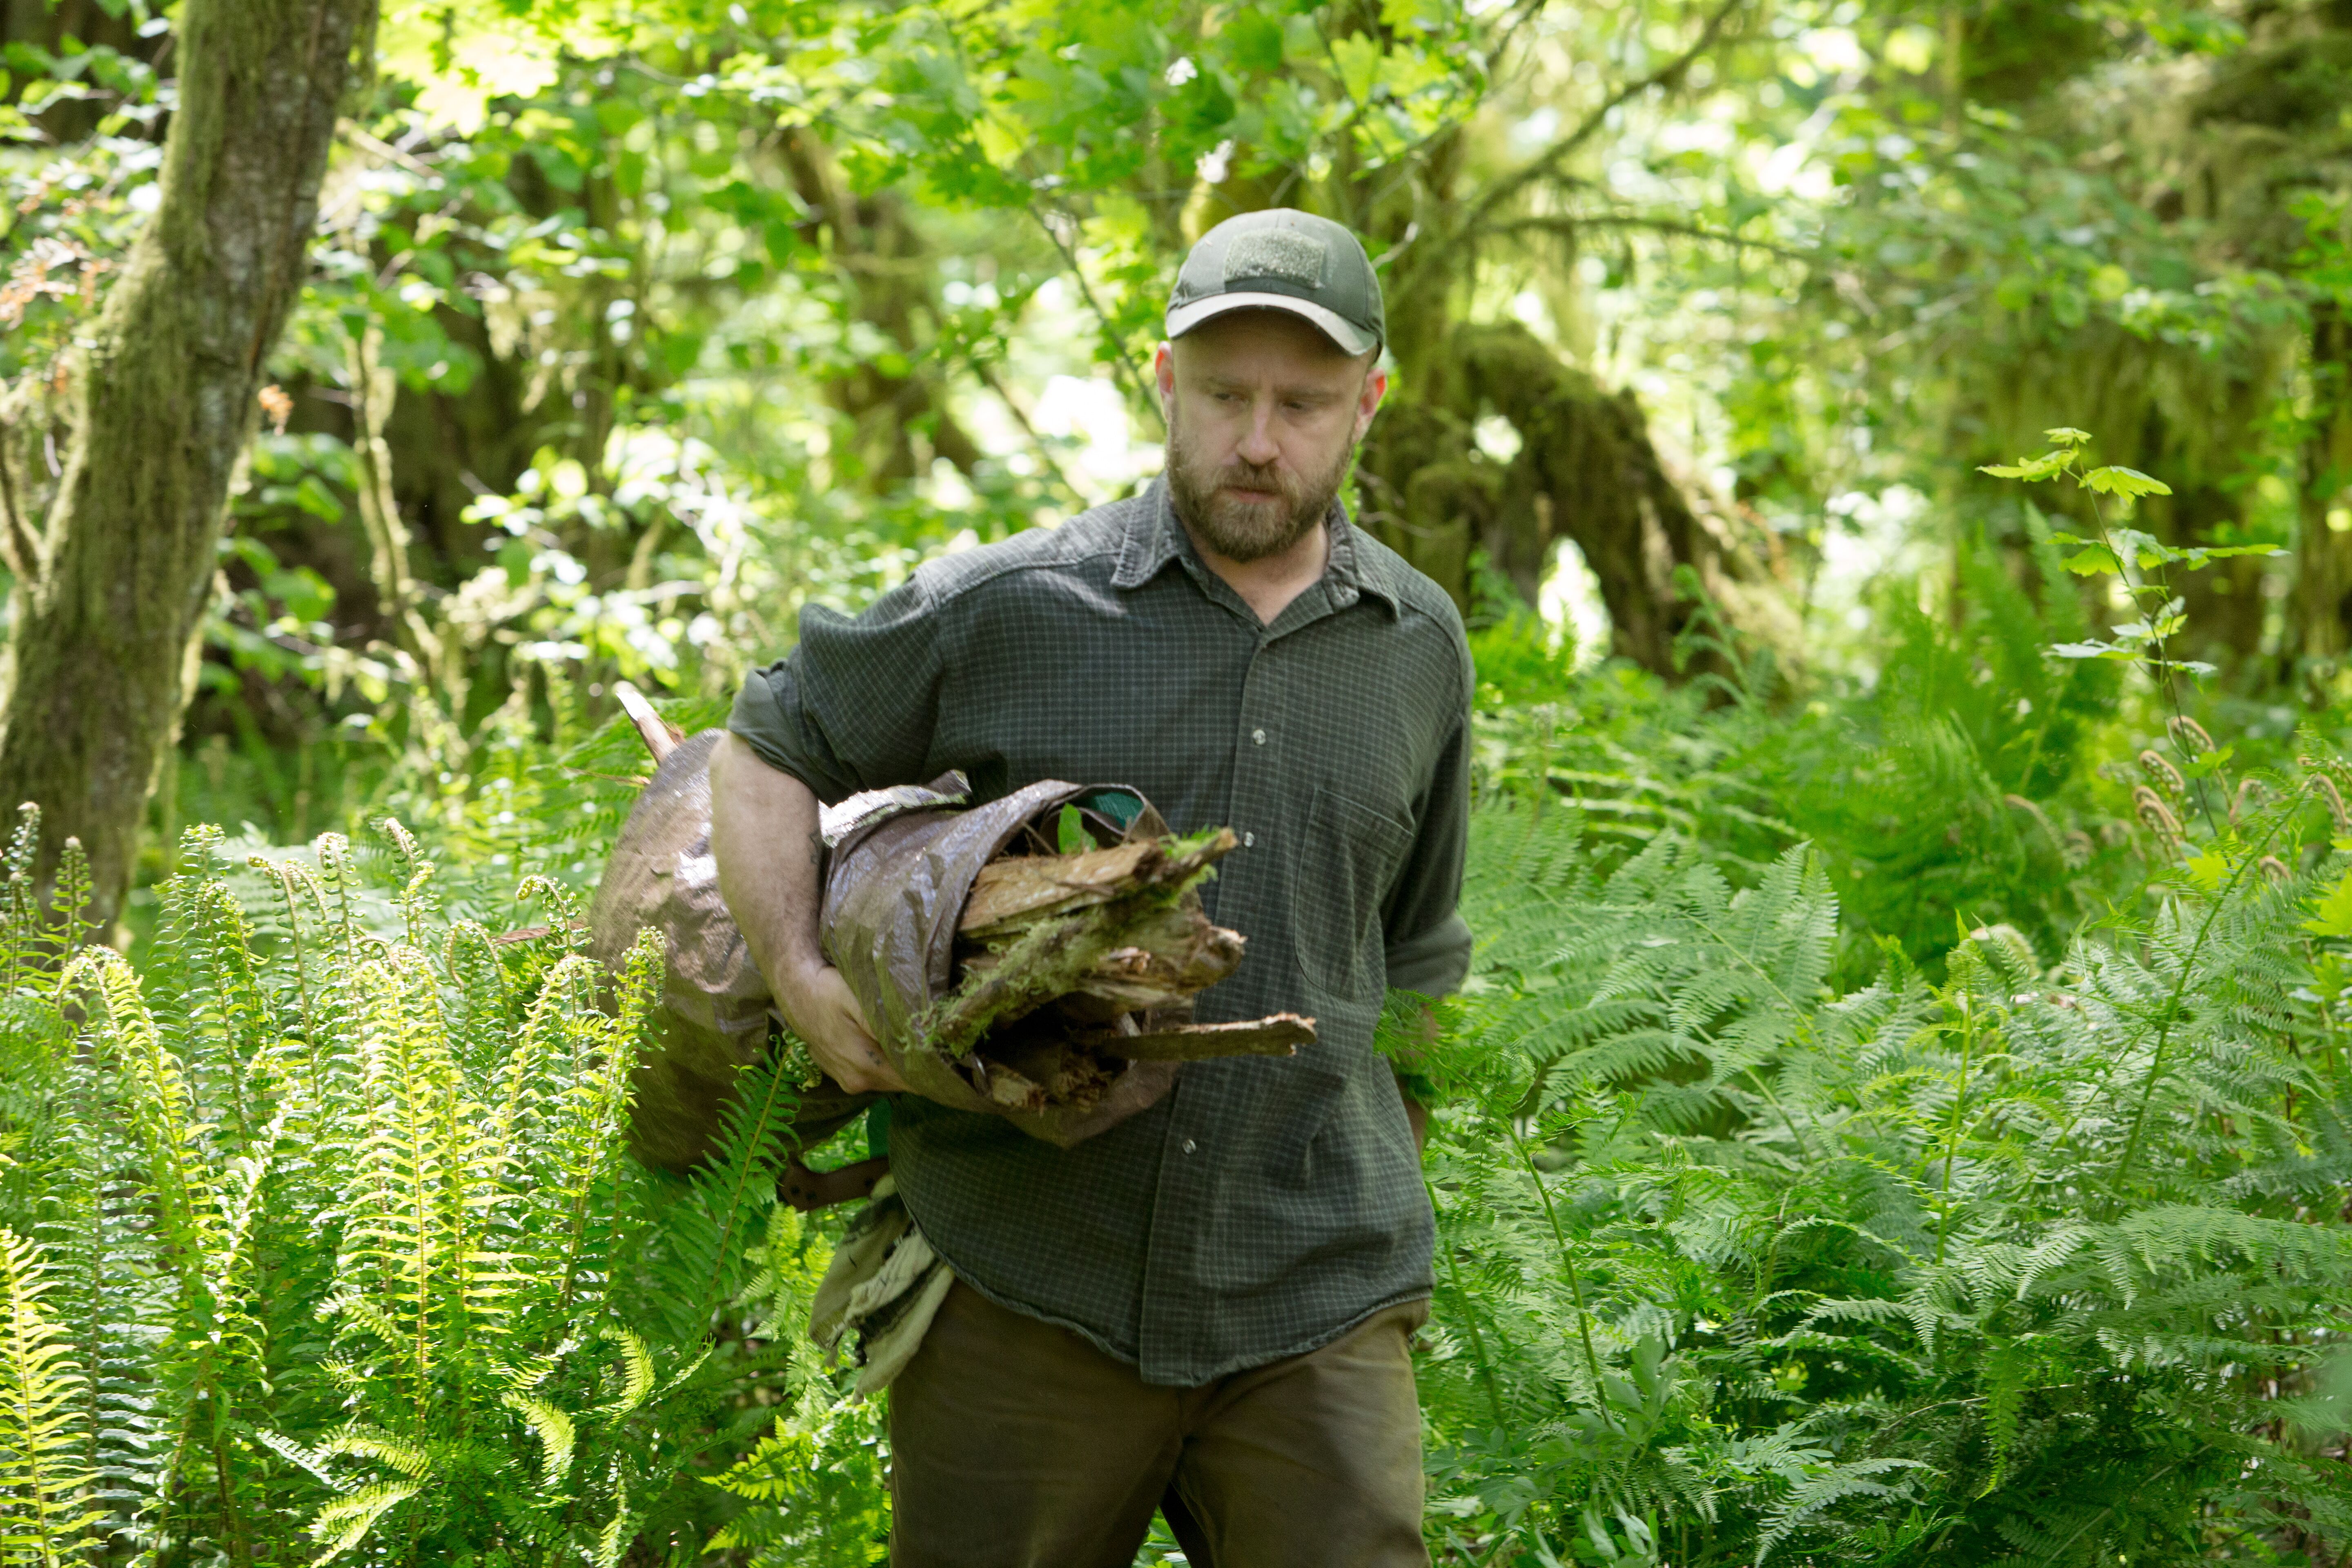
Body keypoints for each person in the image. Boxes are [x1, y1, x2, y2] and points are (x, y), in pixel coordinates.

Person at [710, 207, 1473, 1568]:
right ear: (1165, 386)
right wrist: (800, 977)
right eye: (1227, 394)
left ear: (1368, 404)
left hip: (1317, 1293)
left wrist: (1394, 1148)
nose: (1258, 438)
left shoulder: (1418, 647)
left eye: (1302, 403)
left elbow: (1416, 947)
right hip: (1028, 1277)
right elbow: (768, 741)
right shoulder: (1016, 605)